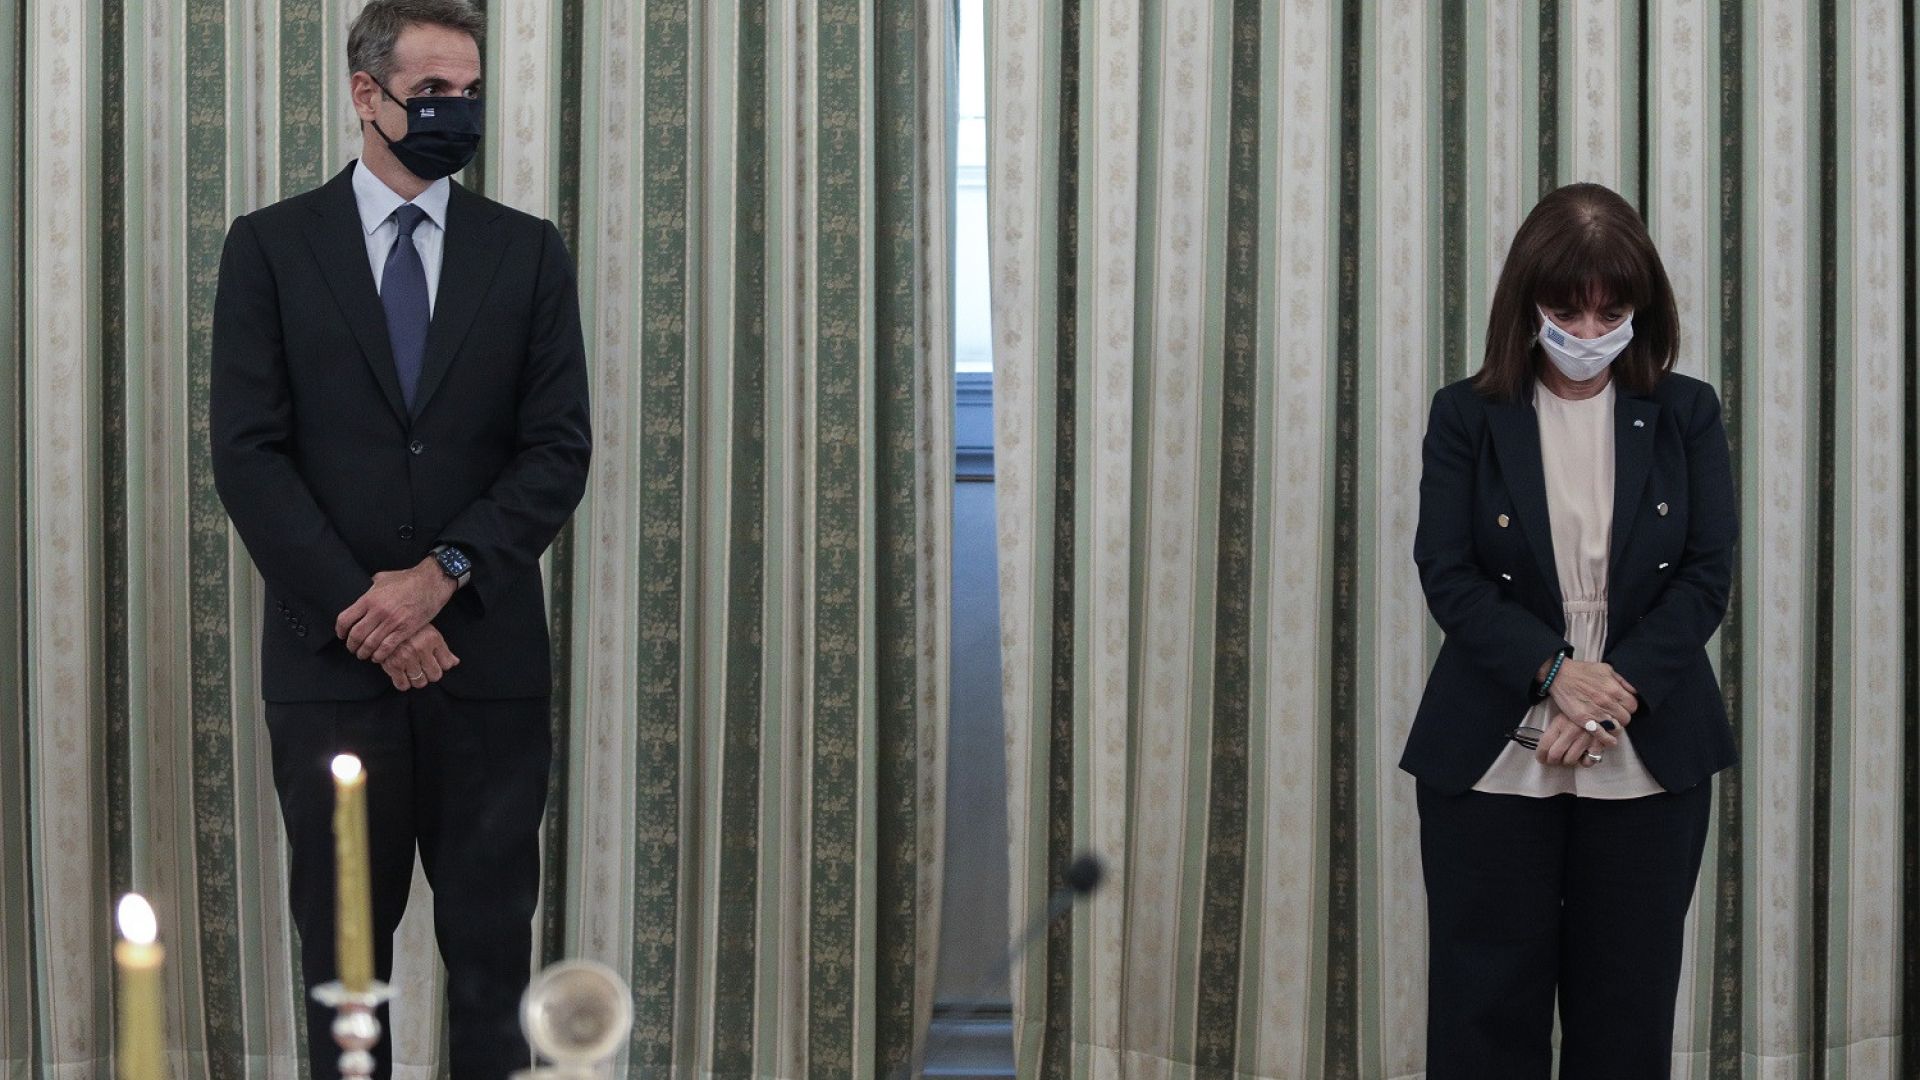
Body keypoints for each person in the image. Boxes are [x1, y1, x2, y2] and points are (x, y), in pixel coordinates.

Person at [209, 1, 590, 1075]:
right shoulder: (272, 248)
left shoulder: (527, 253)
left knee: (491, 967)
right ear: (366, 95)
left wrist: (440, 578)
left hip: (487, 671)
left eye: (469, 92)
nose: (455, 112)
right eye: (432, 93)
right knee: (345, 972)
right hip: (332, 674)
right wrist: (367, 610)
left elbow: (557, 449)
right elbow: (248, 454)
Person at [1400, 182, 1737, 1079]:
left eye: (1610, 314)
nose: (1588, 334)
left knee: (1626, 1017)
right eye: (1565, 312)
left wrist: (1602, 699)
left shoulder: (1688, 412)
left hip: (1648, 743)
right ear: (1527, 304)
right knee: (1483, 1014)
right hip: (1493, 744)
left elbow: (1705, 575)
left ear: (1641, 311)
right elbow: (1447, 571)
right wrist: (1554, 672)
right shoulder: (1466, 414)